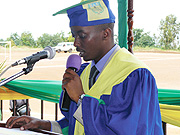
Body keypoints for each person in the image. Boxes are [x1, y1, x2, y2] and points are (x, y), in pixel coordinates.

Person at [5, 0, 163, 134]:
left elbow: (126, 130)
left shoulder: (134, 75)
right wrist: (43, 124)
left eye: (82, 35)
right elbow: (77, 125)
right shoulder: (83, 72)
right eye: (74, 36)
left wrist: (81, 98)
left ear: (105, 34)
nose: (75, 43)